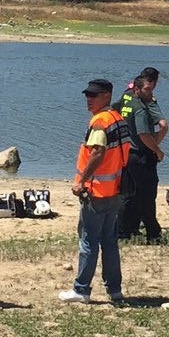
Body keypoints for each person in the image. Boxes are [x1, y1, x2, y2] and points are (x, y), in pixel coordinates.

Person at [60, 78, 133, 305]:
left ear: (107, 96)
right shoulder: (118, 119)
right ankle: (114, 290)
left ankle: (81, 290)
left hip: (97, 192)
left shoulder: (101, 122)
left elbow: (98, 152)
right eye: (87, 95)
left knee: (89, 241)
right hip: (115, 190)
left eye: (94, 95)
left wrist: (81, 180)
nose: (89, 99)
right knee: (109, 241)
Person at [118, 67, 167, 243]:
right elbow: (146, 133)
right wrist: (157, 150)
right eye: (147, 88)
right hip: (140, 155)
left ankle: (126, 230)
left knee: (130, 195)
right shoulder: (141, 107)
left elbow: (115, 111)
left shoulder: (126, 97)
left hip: (127, 153)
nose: (150, 91)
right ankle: (151, 232)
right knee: (146, 195)